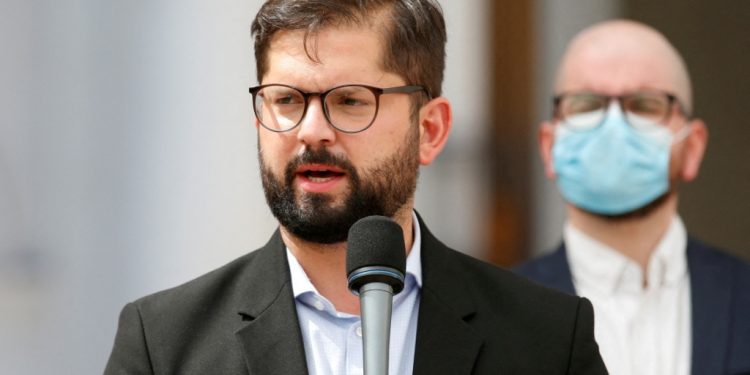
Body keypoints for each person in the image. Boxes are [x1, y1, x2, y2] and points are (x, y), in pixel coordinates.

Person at [104, 1, 607, 374]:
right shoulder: (164, 345)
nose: (311, 130)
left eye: (349, 100)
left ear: (428, 130)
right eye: (286, 99)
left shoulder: (546, 340)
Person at [516, 20, 750, 375]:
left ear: (693, 147)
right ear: (549, 147)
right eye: (586, 105)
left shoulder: (743, 297)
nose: (613, 126)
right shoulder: (498, 314)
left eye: (644, 105)